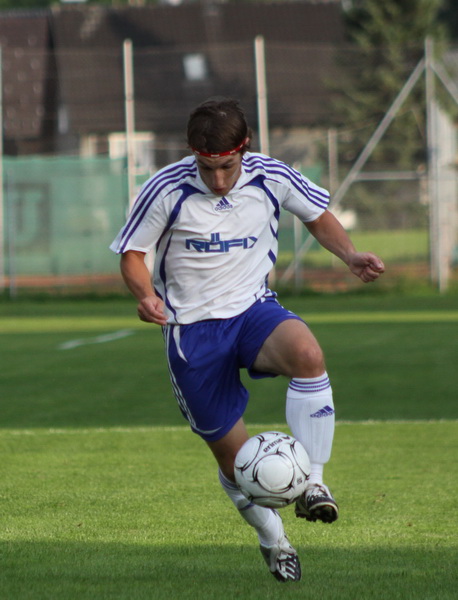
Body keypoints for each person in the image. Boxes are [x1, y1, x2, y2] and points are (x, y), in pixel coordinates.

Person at [110, 97, 385, 583]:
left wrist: (350, 255)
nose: (218, 180)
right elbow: (132, 254)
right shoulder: (165, 189)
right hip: (191, 333)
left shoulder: (271, 175)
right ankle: (274, 540)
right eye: (207, 168)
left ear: (245, 148)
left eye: (227, 166)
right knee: (235, 463)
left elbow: (317, 214)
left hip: (253, 310)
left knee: (308, 353)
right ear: (193, 153)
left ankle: (314, 485)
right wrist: (146, 295)